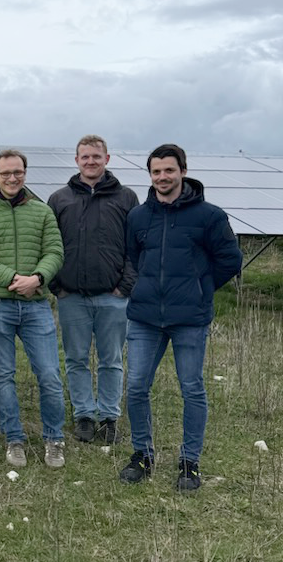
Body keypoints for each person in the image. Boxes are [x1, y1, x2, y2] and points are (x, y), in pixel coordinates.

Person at [119, 144, 242, 491]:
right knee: (137, 386)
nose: (162, 177)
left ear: (183, 172)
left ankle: (190, 462)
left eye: (169, 170)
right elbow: (134, 257)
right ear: (150, 175)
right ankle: (142, 454)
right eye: (156, 172)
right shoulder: (138, 217)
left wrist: (199, 288)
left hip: (190, 318)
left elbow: (230, 260)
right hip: (144, 318)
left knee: (192, 388)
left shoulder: (209, 216)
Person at [0, 150, 66, 468]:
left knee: (49, 375)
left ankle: (54, 439)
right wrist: (13, 279)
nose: (12, 178)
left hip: (36, 305)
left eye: (18, 172)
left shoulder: (42, 212)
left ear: (25, 173)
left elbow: (54, 250)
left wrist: (37, 277)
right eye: (5, 173)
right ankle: (14, 439)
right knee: (4, 376)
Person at [47, 135, 139, 444]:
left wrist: (125, 285)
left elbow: (135, 247)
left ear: (107, 159)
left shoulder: (126, 198)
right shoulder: (60, 199)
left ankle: (109, 417)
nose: (90, 161)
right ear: (76, 160)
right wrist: (56, 285)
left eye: (96, 156)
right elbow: (49, 245)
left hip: (112, 297)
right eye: (85, 157)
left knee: (111, 359)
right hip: (71, 297)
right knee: (76, 359)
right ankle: (84, 415)